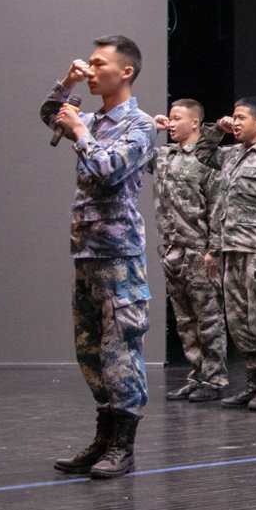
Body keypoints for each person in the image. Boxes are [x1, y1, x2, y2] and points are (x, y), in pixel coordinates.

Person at [43, 36, 156, 479]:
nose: (90, 71)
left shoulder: (140, 125)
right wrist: (66, 84)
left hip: (119, 256)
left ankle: (124, 448)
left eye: (97, 64)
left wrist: (81, 132)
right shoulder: (89, 118)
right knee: (90, 352)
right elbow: (50, 114)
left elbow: (109, 169)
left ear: (125, 72)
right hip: (87, 253)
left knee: (120, 351)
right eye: (86, 65)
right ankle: (103, 439)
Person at [196, 97, 256, 411]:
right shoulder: (232, 154)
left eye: (241, 118)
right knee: (238, 321)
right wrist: (217, 128)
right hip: (233, 248)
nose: (236, 122)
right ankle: (252, 384)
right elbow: (202, 152)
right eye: (234, 117)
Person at [150, 99, 226, 403]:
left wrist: (214, 250)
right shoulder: (163, 156)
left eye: (176, 118)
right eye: (169, 117)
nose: (171, 123)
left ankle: (214, 379)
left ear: (195, 123)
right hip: (171, 249)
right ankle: (197, 375)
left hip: (198, 249)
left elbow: (218, 206)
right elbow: (135, 156)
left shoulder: (207, 158)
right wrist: (151, 129)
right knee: (184, 320)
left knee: (208, 317)